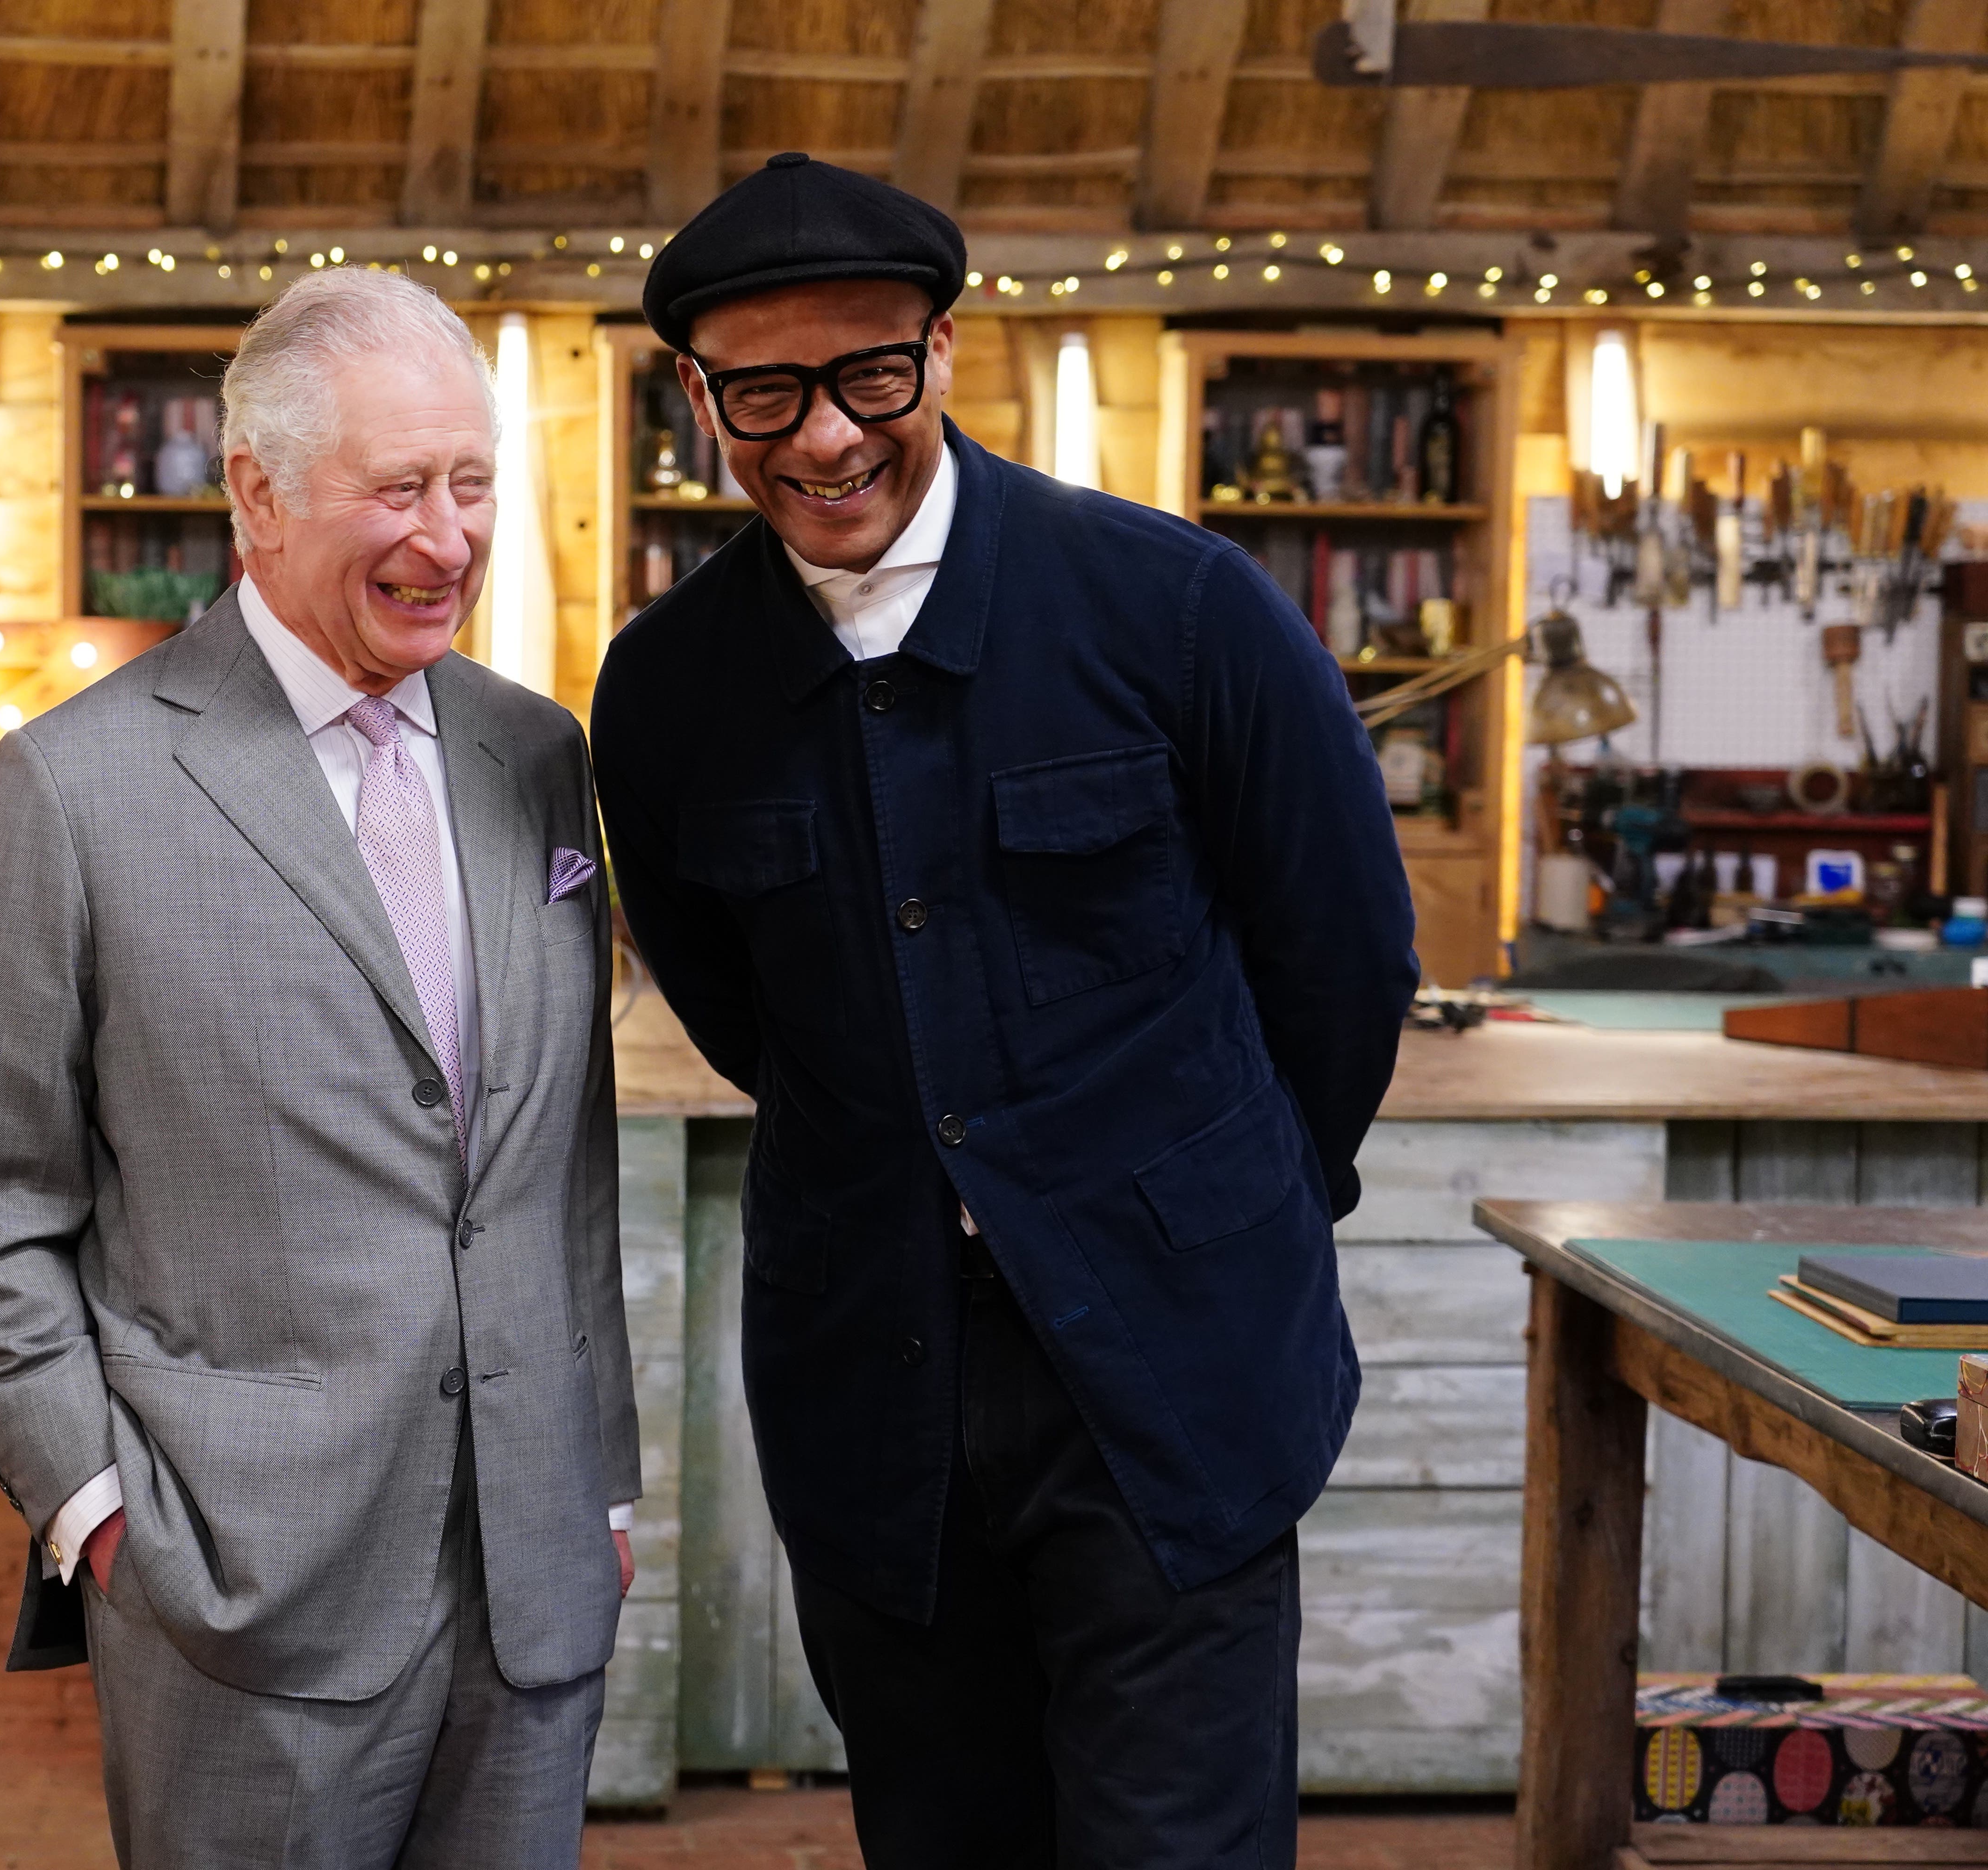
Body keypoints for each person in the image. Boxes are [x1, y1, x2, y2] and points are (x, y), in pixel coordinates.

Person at [592, 153, 1419, 1868]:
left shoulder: (1177, 610)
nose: (823, 437)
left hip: (1172, 1372)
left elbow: (1341, 962)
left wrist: (1207, 1213)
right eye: (764, 390)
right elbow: (747, 1014)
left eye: (869, 374)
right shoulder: (669, 689)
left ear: (945, 352)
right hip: (873, 1383)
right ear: (698, 397)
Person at [0, 266, 639, 1870]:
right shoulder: (70, 794)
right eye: (397, 489)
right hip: (232, 1595)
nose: (448, 540)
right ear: (254, 493)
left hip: (534, 1581)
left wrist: (602, 1486)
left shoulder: (540, 755)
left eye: (471, 485)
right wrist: (94, 1511)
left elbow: (558, 1163)